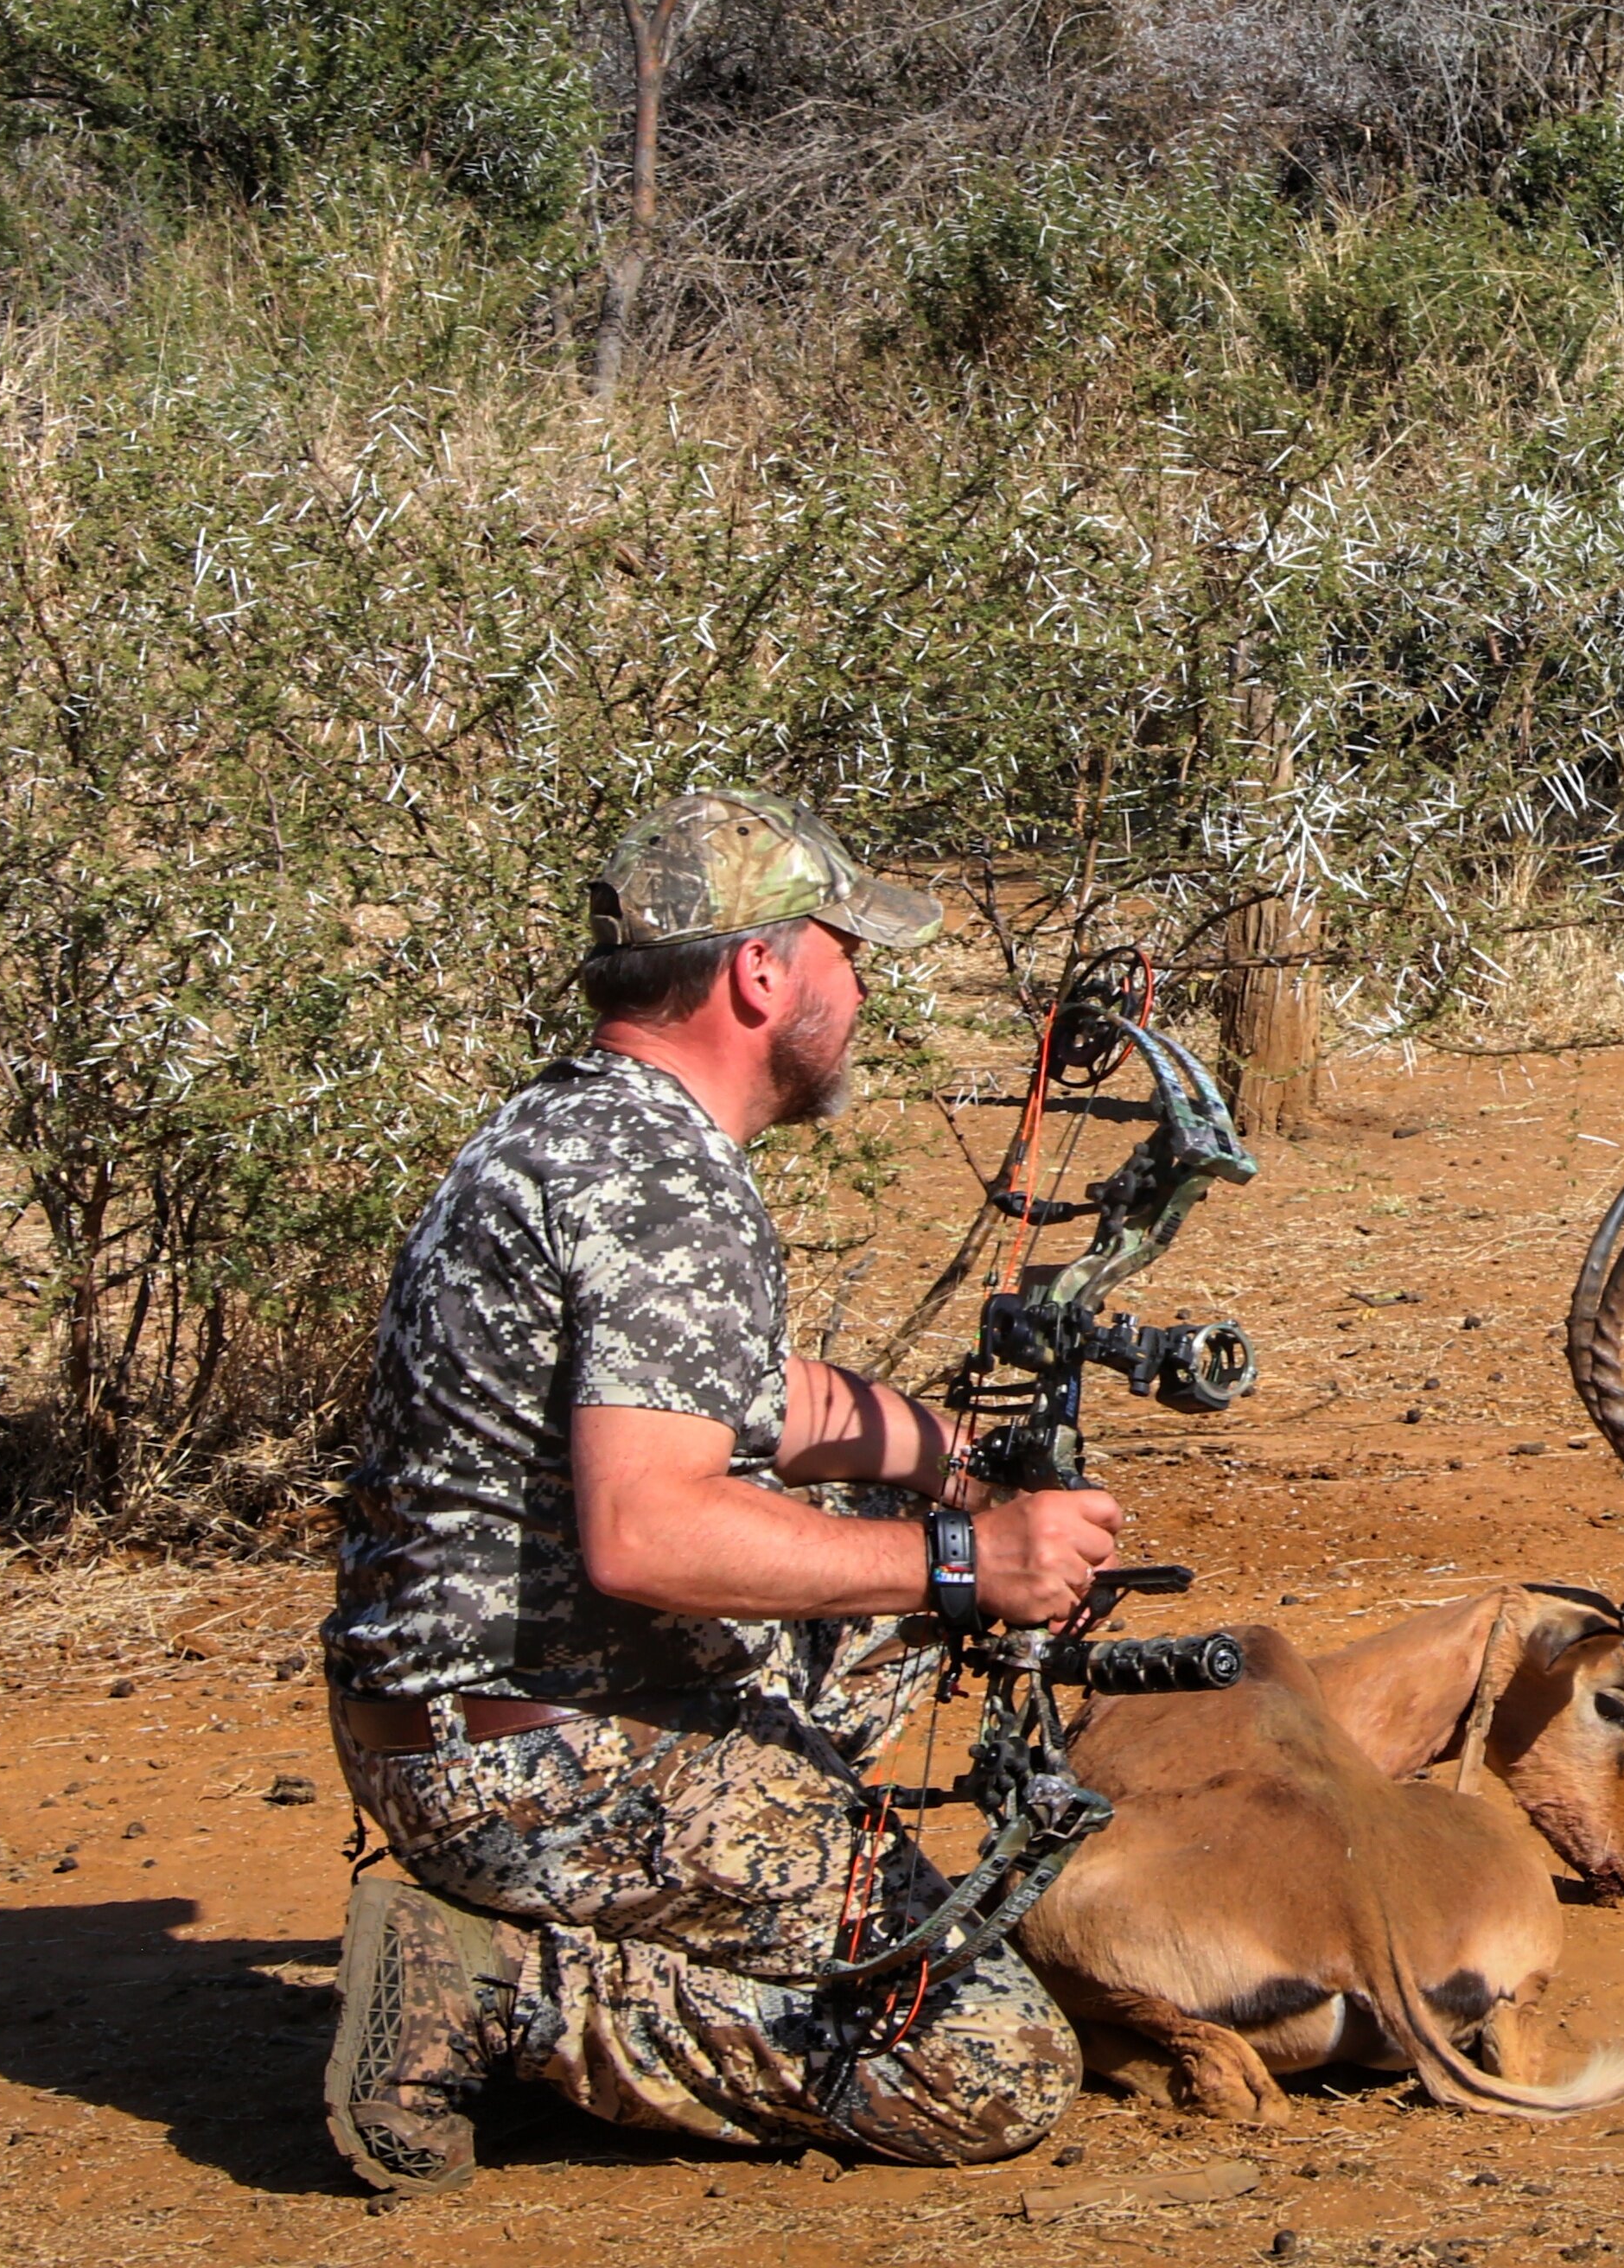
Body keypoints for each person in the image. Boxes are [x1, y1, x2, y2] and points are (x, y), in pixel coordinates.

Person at [314, 789, 1124, 2196]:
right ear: (762, 971)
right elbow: (651, 1525)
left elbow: (747, 1396)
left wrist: (952, 1456)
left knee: (890, 1568)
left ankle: (676, 1880)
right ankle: (504, 1988)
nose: (860, 988)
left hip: (445, 1714)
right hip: (532, 1759)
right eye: (845, 952)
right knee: (988, 2054)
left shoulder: (573, 1126)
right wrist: (967, 1561)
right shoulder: (660, 1174)